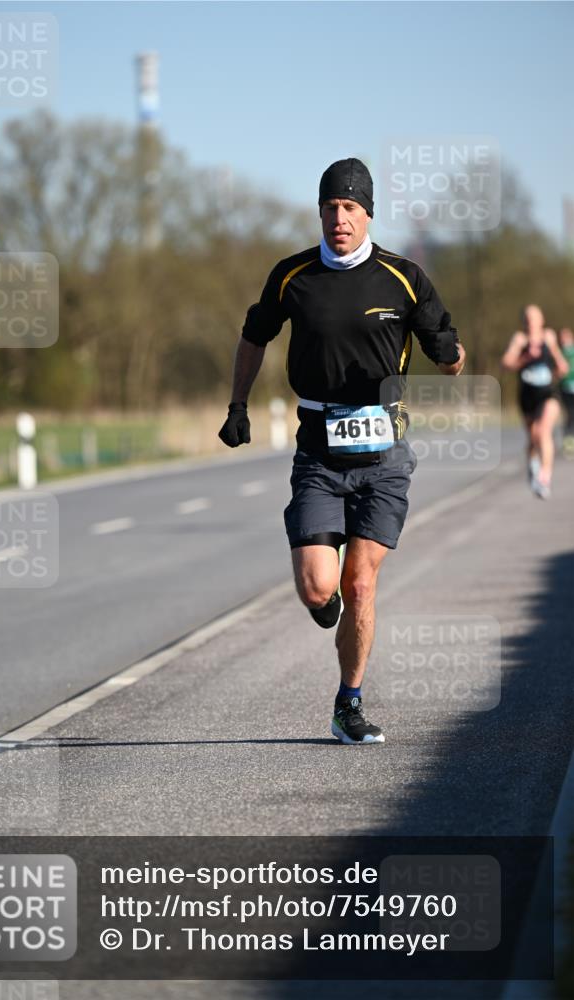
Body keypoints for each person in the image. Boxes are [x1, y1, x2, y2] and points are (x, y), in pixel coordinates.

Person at [218, 158, 465, 745]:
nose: (339, 218)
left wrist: (446, 350)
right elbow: (254, 337)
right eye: (330, 207)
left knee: (360, 585)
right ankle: (325, 604)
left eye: (350, 208)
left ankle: (347, 704)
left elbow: (452, 360)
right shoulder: (292, 276)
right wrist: (237, 406)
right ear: (320, 212)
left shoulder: (403, 279)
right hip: (319, 453)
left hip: (384, 456)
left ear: (368, 214)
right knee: (317, 588)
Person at [501, 306, 569, 499]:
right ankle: (533, 465)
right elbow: (505, 364)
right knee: (533, 438)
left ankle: (544, 478)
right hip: (527, 396)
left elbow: (561, 364)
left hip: (548, 393)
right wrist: (524, 358)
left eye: (534, 318)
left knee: (543, 430)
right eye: (527, 319)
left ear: (542, 320)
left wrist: (558, 370)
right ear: (524, 322)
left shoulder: (548, 337)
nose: (531, 323)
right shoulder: (519, 340)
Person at [557, 327, 574, 456]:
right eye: (562, 337)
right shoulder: (558, 353)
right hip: (566, 388)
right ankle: (569, 443)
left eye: (566, 337)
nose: (564, 340)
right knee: (569, 415)